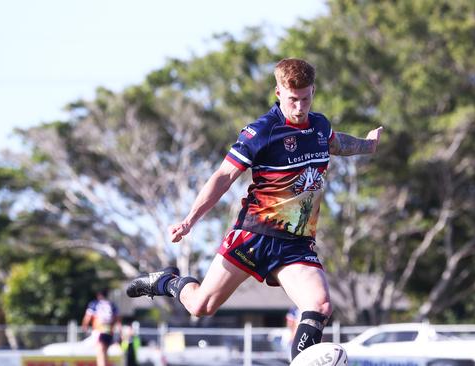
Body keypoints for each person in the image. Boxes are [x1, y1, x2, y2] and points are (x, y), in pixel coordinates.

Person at [127, 58, 382, 360]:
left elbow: (335, 143)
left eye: (305, 99)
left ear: (313, 91)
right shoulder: (262, 131)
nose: (299, 107)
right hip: (254, 235)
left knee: (320, 306)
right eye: (292, 100)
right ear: (278, 92)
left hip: (296, 244)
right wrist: (189, 221)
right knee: (201, 307)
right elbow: (223, 176)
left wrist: (367, 145)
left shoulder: (319, 126)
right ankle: (167, 281)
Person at [81, 289, 121, 366]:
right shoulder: (112, 305)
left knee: (100, 353)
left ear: (99, 295)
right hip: (109, 331)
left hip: (99, 331)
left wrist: (84, 326)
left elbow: (87, 317)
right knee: (105, 353)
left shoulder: (95, 304)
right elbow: (117, 318)